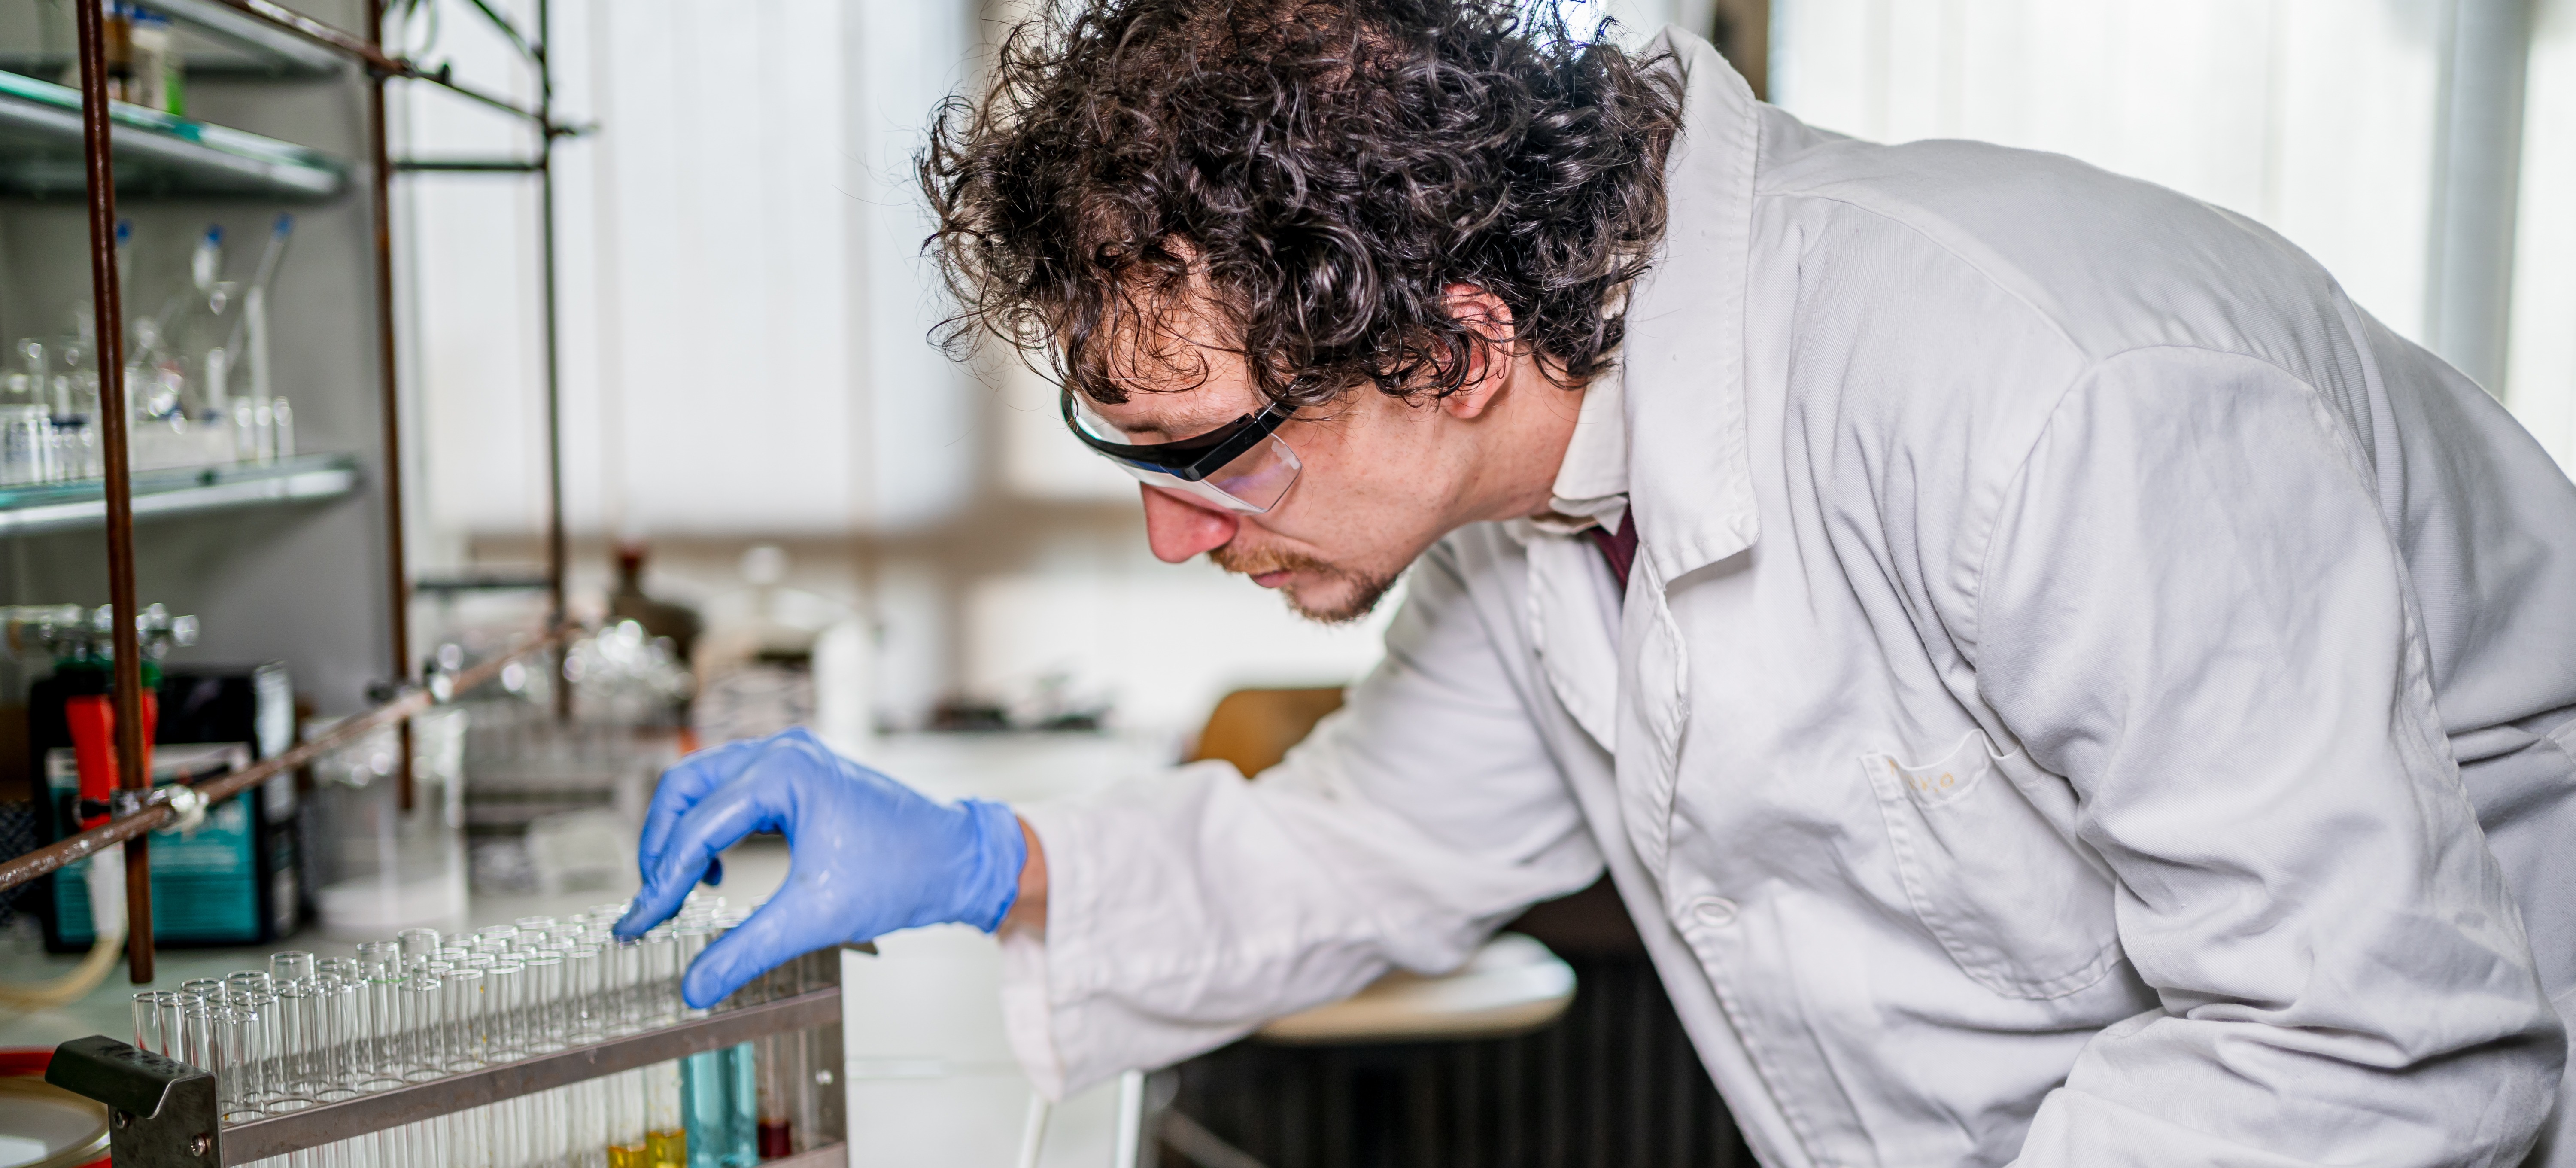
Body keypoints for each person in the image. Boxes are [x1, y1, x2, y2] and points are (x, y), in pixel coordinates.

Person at [614, 2, 2576, 1163]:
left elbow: (2372, 1042)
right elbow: (1360, 860)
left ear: (1455, 344)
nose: (1171, 533)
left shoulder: (2043, 397)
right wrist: (984, 856)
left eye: (1209, 457)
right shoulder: (1549, 487)